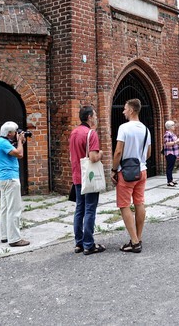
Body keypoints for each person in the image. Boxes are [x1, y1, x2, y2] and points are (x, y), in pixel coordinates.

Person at [111, 98, 151, 253]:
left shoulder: (124, 128)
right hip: (142, 170)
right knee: (139, 203)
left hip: (126, 172)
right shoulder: (146, 129)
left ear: (132, 110)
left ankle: (134, 242)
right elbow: (148, 153)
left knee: (124, 205)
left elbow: (118, 151)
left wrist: (114, 169)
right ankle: (138, 237)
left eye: (125, 108)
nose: (123, 111)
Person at [69, 106, 105, 255]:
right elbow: (93, 157)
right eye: (95, 115)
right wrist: (101, 153)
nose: (96, 117)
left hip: (77, 174)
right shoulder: (91, 133)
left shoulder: (74, 132)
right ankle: (89, 244)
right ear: (89, 117)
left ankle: (79, 243)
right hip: (89, 177)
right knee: (90, 209)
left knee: (79, 209)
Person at [0, 121, 30, 247]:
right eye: (15, 132)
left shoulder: (0, 142)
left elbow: (15, 150)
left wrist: (20, 141)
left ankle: (5, 236)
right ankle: (14, 239)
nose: (17, 134)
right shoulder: (3, 143)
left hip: (3, 179)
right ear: (9, 133)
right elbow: (20, 154)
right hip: (10, 179)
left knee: (4, 208)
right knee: (14, 209)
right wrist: (20, 141)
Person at [163, 120, 179, 187]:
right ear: (169, 127)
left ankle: (171, 179)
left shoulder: (172, 133)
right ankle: (169, 181)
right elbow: (167, 143)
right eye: (173, 125)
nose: (174, 126)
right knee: (169, 167)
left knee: (171, 167)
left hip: (174, 152)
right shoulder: (167, 134)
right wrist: (176, 141)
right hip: (169, 152)